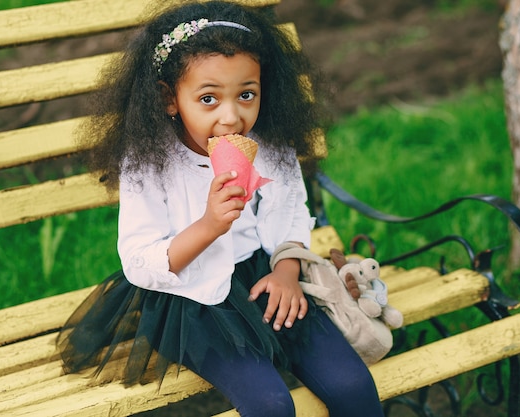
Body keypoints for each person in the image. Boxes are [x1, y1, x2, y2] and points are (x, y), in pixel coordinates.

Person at [56, 1, 385, 416]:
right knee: (270, 405)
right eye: (208, 98)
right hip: (193, 299)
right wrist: (210, 225)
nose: (232, 117)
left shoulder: (270, 145)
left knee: (353, 386)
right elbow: (139, 262)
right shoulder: (150, 163)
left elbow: (292, 214)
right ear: (169, 98)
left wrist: (285, 273)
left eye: (246, 94)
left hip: (267, 277)